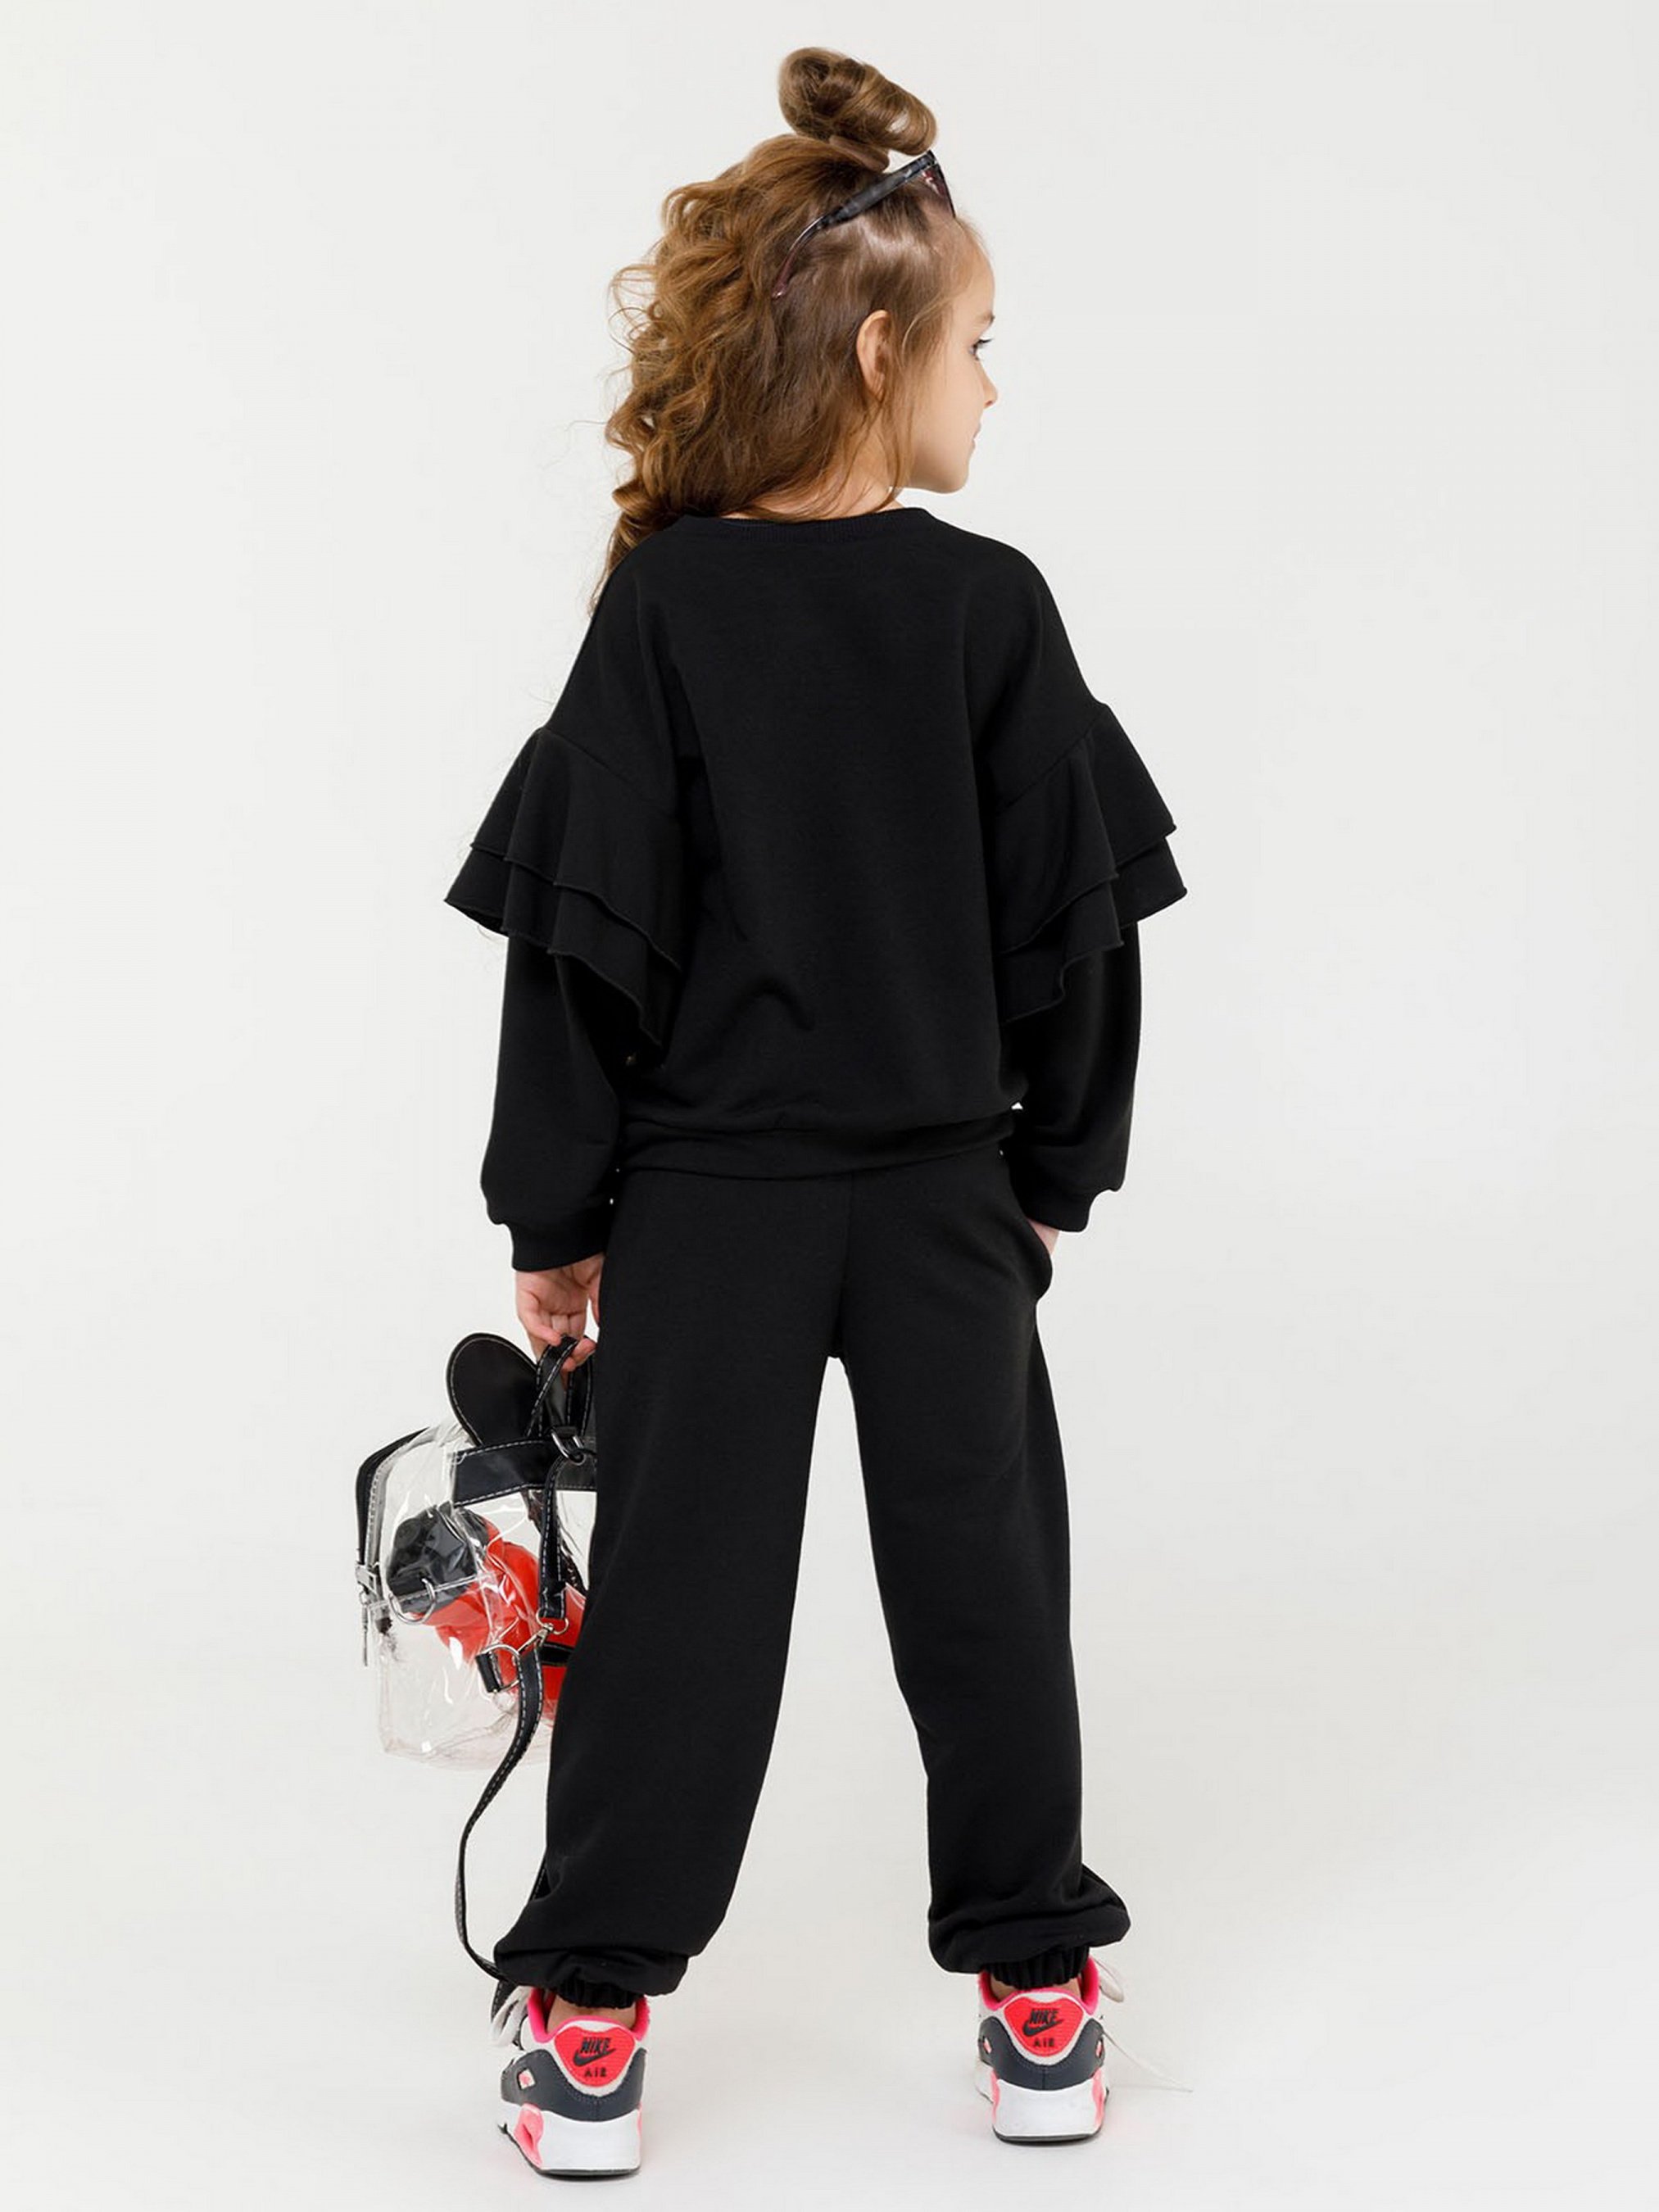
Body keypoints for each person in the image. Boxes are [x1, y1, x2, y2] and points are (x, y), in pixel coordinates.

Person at [442, 45, 1189, 2178]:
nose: (991, 385)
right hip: (944, 1193)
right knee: (987, 1588)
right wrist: (1050, 1174)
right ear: (879, 353)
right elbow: (1082, 927)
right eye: (977, 343)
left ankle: (592, 2016)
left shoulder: (669, 606)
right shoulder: (985, 607)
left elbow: (579, 943)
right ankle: (1037, 1993)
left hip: (710, 1209)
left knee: (680, 1600)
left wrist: (557, 1220)